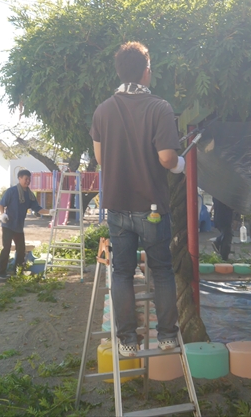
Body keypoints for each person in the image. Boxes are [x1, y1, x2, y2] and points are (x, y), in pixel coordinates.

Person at [90, 41, 185, 357]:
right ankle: (168, 337)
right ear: (146, 72)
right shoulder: (160, 108)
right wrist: (180, 164)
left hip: (117, 206)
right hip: (152, 207)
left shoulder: (103, 111)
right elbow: (167, 158)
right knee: (161, 271)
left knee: (122, 272)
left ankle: (127, 341)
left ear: (119, 72)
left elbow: (100, 158)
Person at [0, 169, 51, 280]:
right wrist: (3, 215)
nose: (28, 181)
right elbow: (1, 204)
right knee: (6, 248)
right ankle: (1, 273)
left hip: (18, 227)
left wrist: (50, 212)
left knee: (21, 250)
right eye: (25, 179)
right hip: (8, 225)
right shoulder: (11, 191)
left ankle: (18, 271)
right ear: (19, 178)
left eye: (29, 179)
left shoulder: (30, 195)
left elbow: (38, 209)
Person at [212, 197, 233, 261]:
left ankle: (223, 256)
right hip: (224, 217)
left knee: (226, 235)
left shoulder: (217, 195)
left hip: (219, 217)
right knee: (227, 235)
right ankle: (224, 256)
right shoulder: (224, 196)